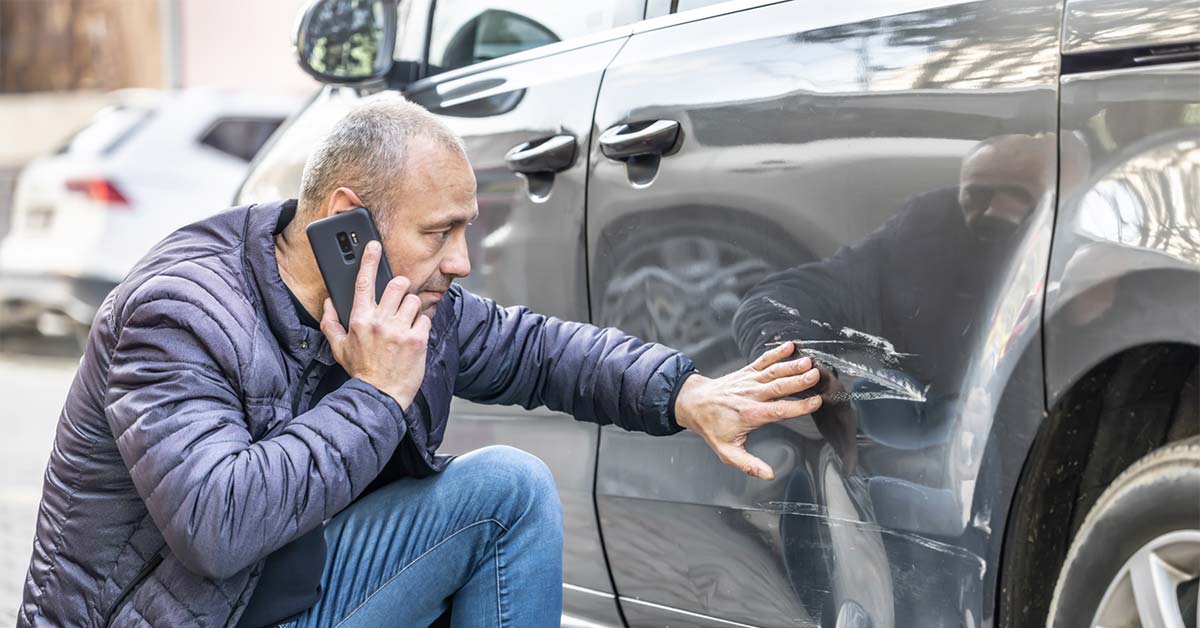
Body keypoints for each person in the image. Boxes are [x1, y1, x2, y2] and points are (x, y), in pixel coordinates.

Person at [17, 95, 824, 628]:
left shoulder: (394, 296)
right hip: (186, 612)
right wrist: (373, 394)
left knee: (504, 491)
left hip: (277, 592)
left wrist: (685, 393)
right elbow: (217, 529)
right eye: (439, 232)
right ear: (348, 220)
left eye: (465, 229)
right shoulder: (181, 312)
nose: (462, 261)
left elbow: (537, 350)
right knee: (496, 490)